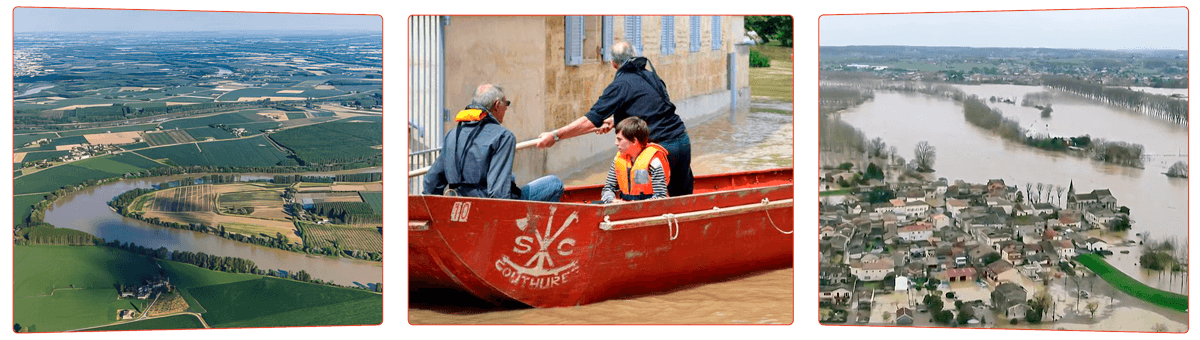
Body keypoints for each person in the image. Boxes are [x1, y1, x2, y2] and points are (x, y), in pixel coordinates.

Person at [535, 41, 694, 197]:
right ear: (634, 56)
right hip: (682, 142)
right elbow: (651, 108)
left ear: (612, 63)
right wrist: (616, 121)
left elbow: (590, 120)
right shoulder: (652, 76)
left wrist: (555, 136)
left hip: (656, 151)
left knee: (641, 196)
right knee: (682, 198)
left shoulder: (620, 84)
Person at [423, 84, 563, 202]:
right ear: (497, 105)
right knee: (554, 183)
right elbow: (498, 193)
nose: (506, 109)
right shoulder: (503, 137)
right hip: (490, 211)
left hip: (458, 202)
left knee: (512, 177)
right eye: (505, 104)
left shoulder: (452, 135)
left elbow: (431, 182)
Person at [600, 117, 670, 203]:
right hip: (624, 206)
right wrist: (612, 201)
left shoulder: (653, 162)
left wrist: (636, 205)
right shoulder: (618, 159)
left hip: (648, 209)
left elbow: (660, 196)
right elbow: (608, 189)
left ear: (634, 141)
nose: (616, 143)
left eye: (619, 139)